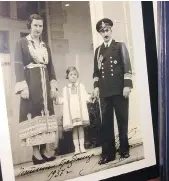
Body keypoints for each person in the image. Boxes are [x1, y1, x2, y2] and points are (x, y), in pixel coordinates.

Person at [14, 14, 58, 165]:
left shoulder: (45, 46)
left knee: (45, 115)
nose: (38, 29)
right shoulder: (21, 43)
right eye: (35, 25)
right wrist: (22, 87)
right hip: (31, 83)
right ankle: (35, 153)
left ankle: (45, 150)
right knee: (33, 115)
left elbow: (50, 66)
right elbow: (18, 66)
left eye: (40, 26)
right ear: (30, 26)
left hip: (45, 83)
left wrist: (53, 84)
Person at [93, 18, 133, 164]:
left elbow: (127, 67)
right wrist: (96, 87)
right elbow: (95, 72)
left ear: (111, 30)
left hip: (119, 90)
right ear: (99, 33)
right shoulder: (98, 51)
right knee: (107, 125)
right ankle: (108, 154)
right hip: (104, 93)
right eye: (102, 31)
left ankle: (124, 150)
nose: (105, 33)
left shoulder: (119, 46)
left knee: (122, 121)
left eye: (107, 30)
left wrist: (127, 85)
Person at [55, 66, 92, 154]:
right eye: (71, 74)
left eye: (75, 74)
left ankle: (82, 147)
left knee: (80, 128)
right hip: (72, 113)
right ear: (67, 76)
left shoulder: (81, 86)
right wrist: (56, 99)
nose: (73, 76)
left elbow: (85, 96)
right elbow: (62, 100)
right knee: (74, 130)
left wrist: (91, 96)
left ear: (77, 75)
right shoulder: (65, 89)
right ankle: (77, 148)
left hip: (80, 112)